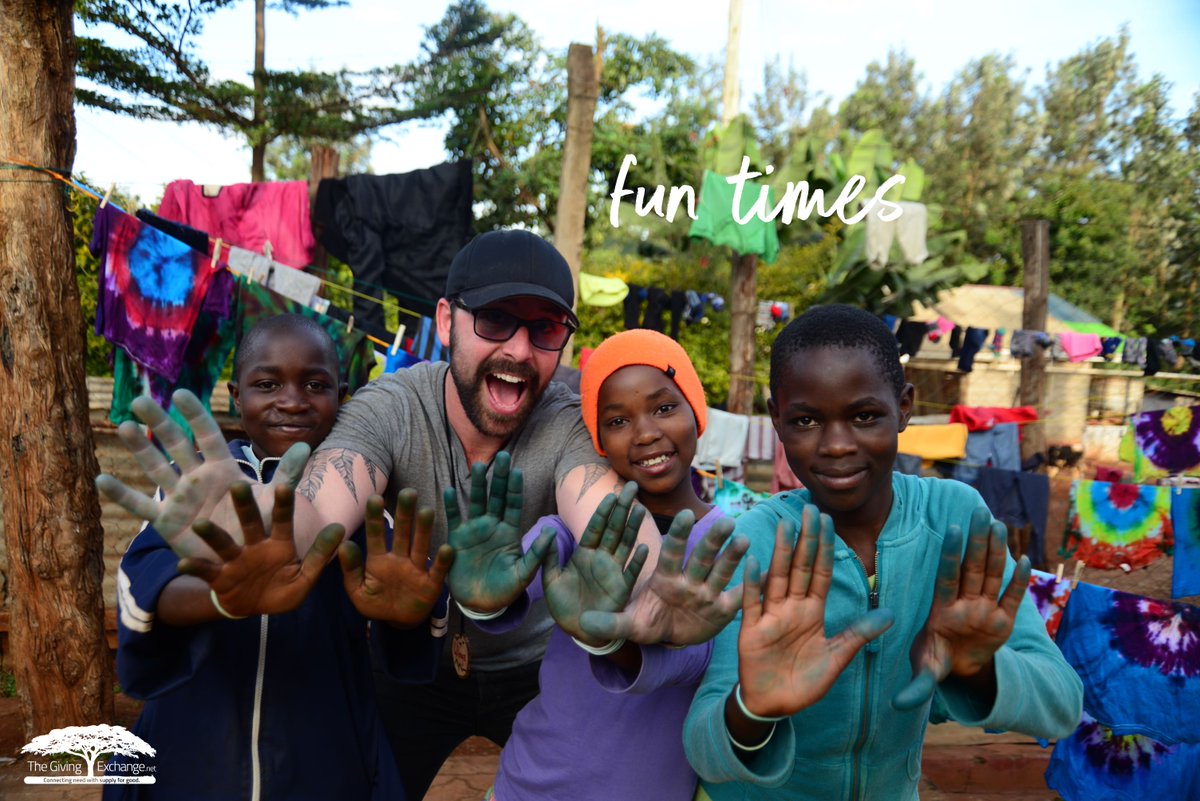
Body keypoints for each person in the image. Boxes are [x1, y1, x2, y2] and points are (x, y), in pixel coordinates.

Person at [98, 229, 741, 800]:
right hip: (416, 665)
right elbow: (323, 502)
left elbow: (603, 513)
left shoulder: (568, 423)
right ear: (446, 319)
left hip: (534, 670)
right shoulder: (390, 407)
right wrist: (260, 524)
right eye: (494, 319)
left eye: (545, 329)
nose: (518, 349)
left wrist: (650, 596)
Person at [682, 304, 1084, 801]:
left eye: (864, 416)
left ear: (905, 407)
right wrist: (751, 708)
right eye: (806, 420)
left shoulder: (954, 523)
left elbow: (1063, 705)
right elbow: (702, 750)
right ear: (777, 421)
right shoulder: (756, 544)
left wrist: (979, 670)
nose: (835, 445)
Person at [107, 314, 449, 800]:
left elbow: (411, 598)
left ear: (343, 396)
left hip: (326, 760)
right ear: (235, 395)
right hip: (192, 757)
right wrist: (222, 598)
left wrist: (408, 617)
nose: (292, 400)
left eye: (315, 384)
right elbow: (143, 590)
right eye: (267, 384)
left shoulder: (358, 500)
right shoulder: (198, 489)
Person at [464, 329, 745, 801]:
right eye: (617, 420)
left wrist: (610, 638)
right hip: (527, 784)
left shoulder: (729, 548)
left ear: (697, 414)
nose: (646, 433)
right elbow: (504, 595)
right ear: (597, 440)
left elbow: (696, 661)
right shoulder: (576, 528)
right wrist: (481, 600)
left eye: (663, 408)